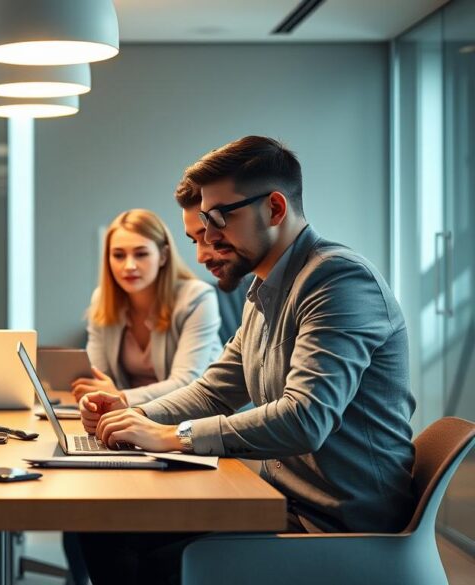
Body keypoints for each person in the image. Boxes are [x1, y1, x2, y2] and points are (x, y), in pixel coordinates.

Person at [78, 136, 417, 584]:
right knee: (104, 530)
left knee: (144, 558)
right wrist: (133, 414)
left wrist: (172, 436)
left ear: (275, 209)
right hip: (281, 502)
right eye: (199, 228)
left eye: (218, 220)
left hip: (337, 528)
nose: (206, 247)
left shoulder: (338, 280)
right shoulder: (262, 290)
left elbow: (305, 418)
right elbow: (215, 389)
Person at [72, 209, 221, 406]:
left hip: (193, 418)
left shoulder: (197, 297)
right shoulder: (103, 300)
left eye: (141, 254)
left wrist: (121, 397)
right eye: (118, 255)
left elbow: (186, 384)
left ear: (163, 256)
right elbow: (99, 378)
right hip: (130, 418)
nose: (129, 266)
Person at [174, 177, 253, 343]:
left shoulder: (315, 286)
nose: (200, 257)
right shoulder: (257, 298)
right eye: (195, 241)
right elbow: (228, 367)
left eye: (210, 237)